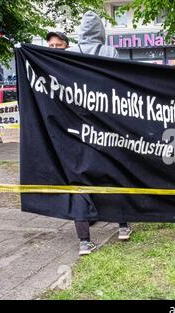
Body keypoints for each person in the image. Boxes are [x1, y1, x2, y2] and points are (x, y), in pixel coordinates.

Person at [67, 11, 129, 255]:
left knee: (80, 183)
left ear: (81, 31)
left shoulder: (69, 56)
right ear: (101, 32)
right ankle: (123, 226)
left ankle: (84, 241)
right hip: (107, 127)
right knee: (115, 176)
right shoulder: (110, 52)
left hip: (77, 128)